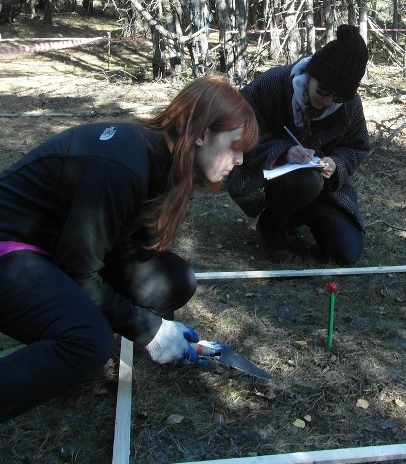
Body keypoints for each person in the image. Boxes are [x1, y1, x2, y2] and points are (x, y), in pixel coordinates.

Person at [0, 76, 258, 421]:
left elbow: (118, 246)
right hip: (12, 250)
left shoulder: (161, 157)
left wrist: (147, 322)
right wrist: (151, 331)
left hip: (54, 246)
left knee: (175, 279)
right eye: (235, 146)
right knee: (89, 342)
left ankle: (77, 322)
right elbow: (78, 271)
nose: (239, 160)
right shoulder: (120, 167)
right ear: (201, 133)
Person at [227, 24, 370, 265]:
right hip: (270, 183)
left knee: (348, 252)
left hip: (323, 192)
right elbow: (236, 129)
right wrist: (282, 152)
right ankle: (272, 223)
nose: (326, 101)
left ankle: (298, 216)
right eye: (323, 90)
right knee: (307, 180)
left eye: (336, 97)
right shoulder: (272, 84)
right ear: (313, 72)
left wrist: (336, 164)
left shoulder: (349, 106)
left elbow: (357, 146)